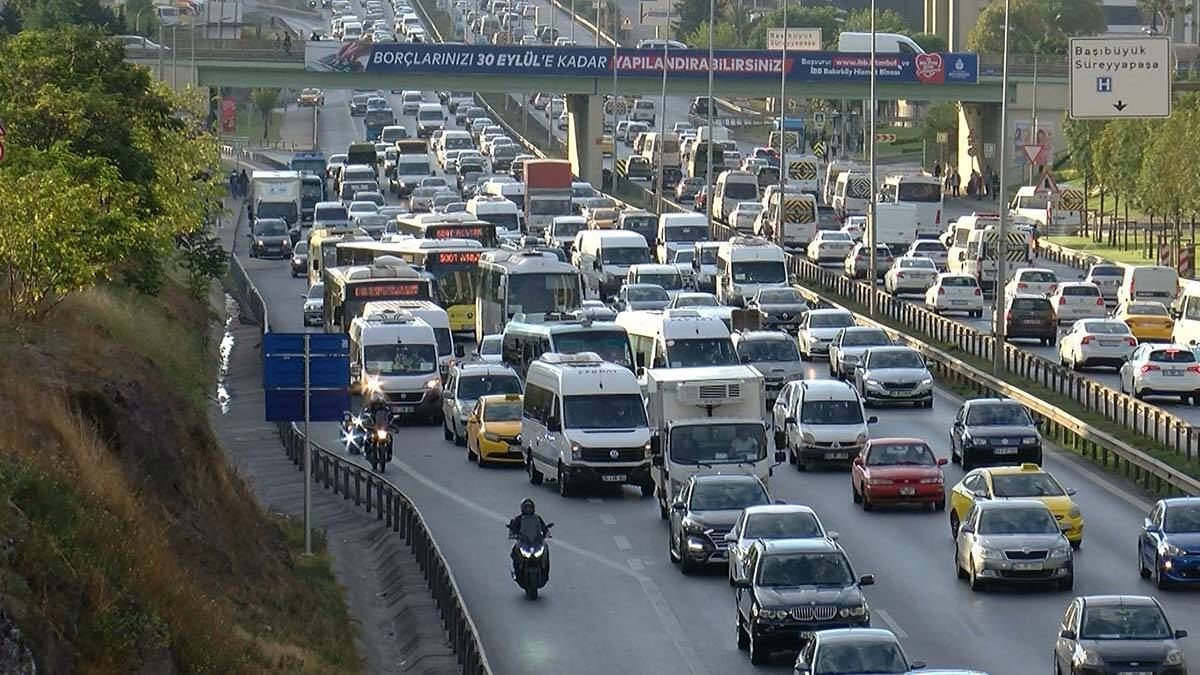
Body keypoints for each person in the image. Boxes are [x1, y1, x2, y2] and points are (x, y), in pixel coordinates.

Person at [507, 498, 550, 575]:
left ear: (533, 508)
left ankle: (545, 567)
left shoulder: (537, 518)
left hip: (536, 540)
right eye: (526, 507)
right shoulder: (518, 519)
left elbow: (543, 527)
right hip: (523, 541)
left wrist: (546, 533)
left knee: (545, 547)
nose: (528, 509)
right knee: (514, 549)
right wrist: (514, 535)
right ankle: (516, 569)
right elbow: (512, 529)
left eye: (530, 507)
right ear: (522, 508)